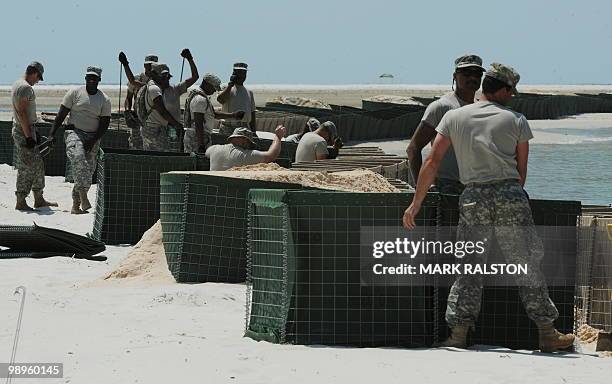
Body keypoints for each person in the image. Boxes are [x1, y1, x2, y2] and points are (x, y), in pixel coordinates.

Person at [402, 63, 575, 353]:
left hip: (472, 196)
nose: (513, 97)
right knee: (526, 263)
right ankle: (547, 332)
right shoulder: (517, 120)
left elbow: (432, 162)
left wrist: (415, 204)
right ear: (504, 89)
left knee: (468, 266)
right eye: (511, 92)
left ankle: (458, 335)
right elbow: (521, 172)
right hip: (509, 194)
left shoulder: (453, 117)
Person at [406, 54, 484, 194]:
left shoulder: (481, 109)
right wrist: (423, 188)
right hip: (447, 187)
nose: (472, 78)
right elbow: (413, 148)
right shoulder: (441, 107)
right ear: (455, 76)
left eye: (477, 74)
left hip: (475, 188)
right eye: (466, 73)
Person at [49, 66, 111, 214]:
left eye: (94, 78)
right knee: (78, 159)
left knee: (88, 172)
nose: (91, 80)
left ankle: (76, 206)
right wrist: (52, 134)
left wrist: (94, 140)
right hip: (74, 132)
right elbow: (61, 114)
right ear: (85, 79)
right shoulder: (75, 93)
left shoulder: (104, 100)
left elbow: (104, 124)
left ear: (99, 80)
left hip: (93, 136)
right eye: (89, 77)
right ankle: (83, 196)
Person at [119, 49, 198, 151]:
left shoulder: (170, 87)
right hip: (145, 122)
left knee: (169, 150)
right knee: (138, 147)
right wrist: (127, 113)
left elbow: (194, 77)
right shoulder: (150, 86)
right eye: (149, 65)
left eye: (168, 77)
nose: (167, 79)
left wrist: (189, 59)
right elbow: (131, 87)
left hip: (168, 126)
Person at [11, 61, 57, 211]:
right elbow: (22, 112)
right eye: (38, 78)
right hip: (23, 131)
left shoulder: (18, 83)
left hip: (26, 129)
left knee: (37, 164)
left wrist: (32, 131)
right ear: (35, 73)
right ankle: (21, 200)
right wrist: (28, 136)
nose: (38, 81)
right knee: (27, 166)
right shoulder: (25, 87)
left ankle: (39, 198)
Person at [182, 73, 245, 153]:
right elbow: (198, 123)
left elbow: (213, 114)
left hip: (200, 136)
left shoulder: (203, 98)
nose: (215, 90)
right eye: (214, 87)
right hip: (197, 138)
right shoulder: (200, 100)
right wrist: (201, 144)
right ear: (206, 84)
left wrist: (233, 115)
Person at [206, 126, 286, 171]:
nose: (249, 146)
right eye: (249, 143)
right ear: (245, 140)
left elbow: (207, 153)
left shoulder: (214, 148)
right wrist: (278, 137)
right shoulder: (244, 155)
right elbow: (271, 156)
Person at [123, 54, 158, 149]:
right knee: (135, 146)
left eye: (153, 65)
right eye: (149, 65)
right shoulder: (138, 78)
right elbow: (128, 97)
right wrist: (127, 113)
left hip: (153, 121)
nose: (151, 67)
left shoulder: (159, 81)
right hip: (137, 119)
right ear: (144, 65)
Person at [217, 62, 256, 134]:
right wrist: (230, 85)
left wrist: (254, 131)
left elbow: (252, 113)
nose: (242, 75)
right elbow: (220, 100)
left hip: (244, 127)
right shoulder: (226, 87)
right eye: (239, 72)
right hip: (228, 127)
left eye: (244, 73)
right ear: (234, 73)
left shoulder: (249, 92)